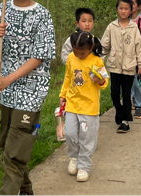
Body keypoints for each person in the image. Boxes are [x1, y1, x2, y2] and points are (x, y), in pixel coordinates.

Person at [0, 0, 56, 196]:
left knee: (14, 153)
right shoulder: (2, 10)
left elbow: (39, 56)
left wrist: (9, 79)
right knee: (10, 143)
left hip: (31, 90)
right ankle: (26, 190)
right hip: (5, 90)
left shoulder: (42, 15)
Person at [60, 31, 109, 182]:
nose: (79, 55)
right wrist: (63, 95)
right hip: (72, 104)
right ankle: (74, 157)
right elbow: (68, 77)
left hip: (89, 107)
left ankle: (84, 166)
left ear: (91, 47)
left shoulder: (97, 61)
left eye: (82, 53)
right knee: (70, 133)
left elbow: (104, 82)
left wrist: (100, 80)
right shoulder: (71, 58)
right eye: (76, 52)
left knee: (87, 138)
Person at [101, 0, 141, 133]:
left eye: (126, 9)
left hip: (129, 66)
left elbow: (139, 47)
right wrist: (98, 61)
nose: (123, 11)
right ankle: (119, 111)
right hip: (114, 66)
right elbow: (104, 46)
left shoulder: (134, 27)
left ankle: (125, 122)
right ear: (117, 9)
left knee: (126, 94)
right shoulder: (111, 27)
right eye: (121, 8)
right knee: (114, 93)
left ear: (131, 10)